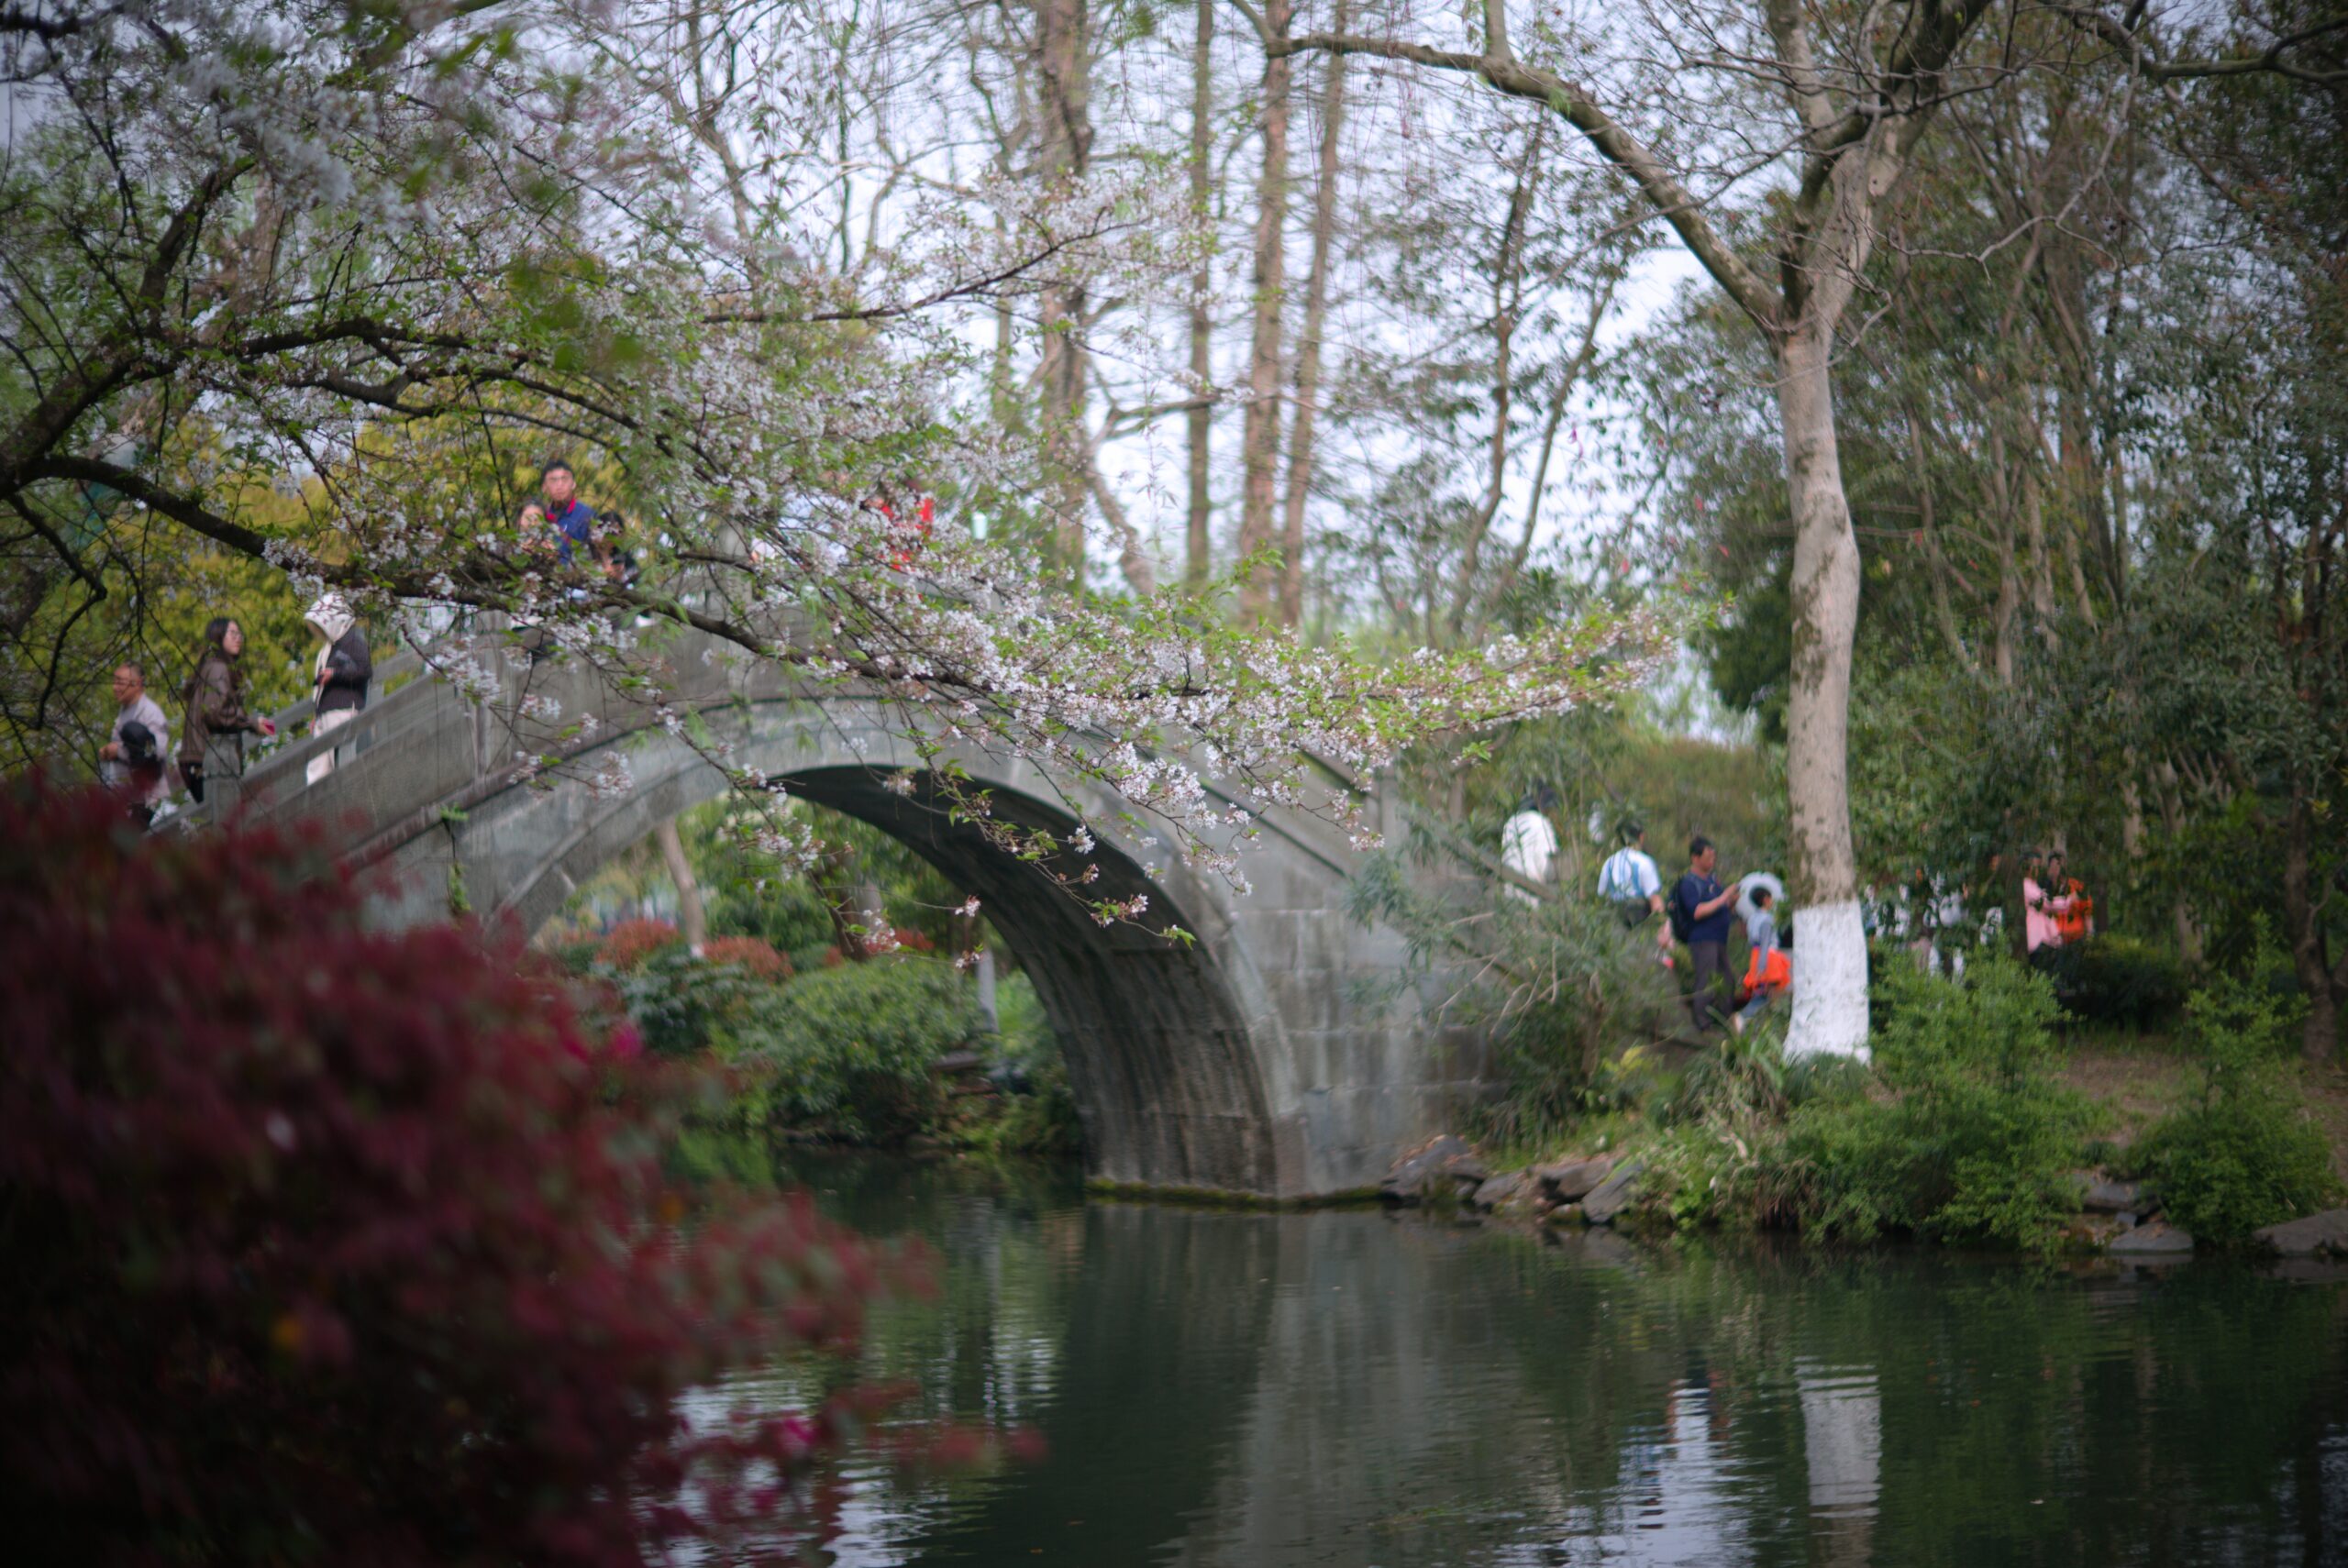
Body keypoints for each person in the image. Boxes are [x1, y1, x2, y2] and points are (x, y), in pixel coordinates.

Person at [177, 617, 276, 804]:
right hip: (208, 762)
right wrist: (252, 723)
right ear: (218, 636)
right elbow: (217, 713)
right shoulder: (218, 668)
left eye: (239, 634)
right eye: (232, 633)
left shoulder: (209, 666)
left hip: (196, 760)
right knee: (226, 815)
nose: (238, 638)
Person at [1673, 835, 1741, 1034]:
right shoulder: (1688, 883)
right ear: (1695, 858)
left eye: (1713, 856)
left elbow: (1721, 906)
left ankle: (1723, 1019)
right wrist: (1723, 897)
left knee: (1727, 979)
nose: (1712, 860)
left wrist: (1731, 901)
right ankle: (1702, 1023)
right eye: (1708, 856)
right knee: (1706, 979)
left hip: (1719, 939)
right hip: (1702, 939)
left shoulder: (1713, 880)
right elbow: (1697, 911)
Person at [304, 593, 371, 784]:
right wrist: (317, 713)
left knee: (340, 761)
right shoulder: (331, 647)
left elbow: (364, 670)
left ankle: (346, 798)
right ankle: (317, 800)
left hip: (343, 710)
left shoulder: (353, 641)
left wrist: (335, 674)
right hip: (325, 713)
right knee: (317, 768)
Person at [99, 661, 171, 825]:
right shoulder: (123, 714)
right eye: (114, 682)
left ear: (137, 683)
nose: (114, 687)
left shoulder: (151, 713)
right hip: (122, 797)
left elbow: (157, 752)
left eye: (120, 682)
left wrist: (119, 751)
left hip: (143, 797)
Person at [1597, 819, 1667, 943]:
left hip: (1614, 926)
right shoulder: (1644, 862)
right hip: (1640, 925)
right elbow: (1655, 899)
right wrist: (1663, 930)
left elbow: (1600, 896)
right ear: (1641, 837)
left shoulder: (1609, 863)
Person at [1733, 887, 1791, 1032]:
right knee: (1767, 992)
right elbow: (1765, 942)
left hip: (1756, 955)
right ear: (1765, 900)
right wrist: (1762, 966)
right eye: (1770, 899)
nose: (1772, 902)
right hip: (1768, 958)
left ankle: (1749, 1020)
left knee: (1763, 992)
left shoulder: (1752, 918)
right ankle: (1744, 1017)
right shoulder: (1767, 919)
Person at [1500, 786, 1560, 905]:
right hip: (1532, 890)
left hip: (1510, 887)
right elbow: (1544, 863)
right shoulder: (1541, 823)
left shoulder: (1510, 822)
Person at [541, 459, 599, 570]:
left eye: (564, 479)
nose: (559, 485)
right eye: (553, 480)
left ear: (573, 484)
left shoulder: (586, 515)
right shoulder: (540, 515)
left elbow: (596, 556)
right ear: (544, 487)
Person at [2023, 855, 2062, 954]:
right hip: (2035, 942)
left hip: (2044, 941)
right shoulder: (2026, 886)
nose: (2037, 870)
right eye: (2035, 867)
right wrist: (2070, 900)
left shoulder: (2035, 886)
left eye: (2038, 867)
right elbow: (2047, 905)